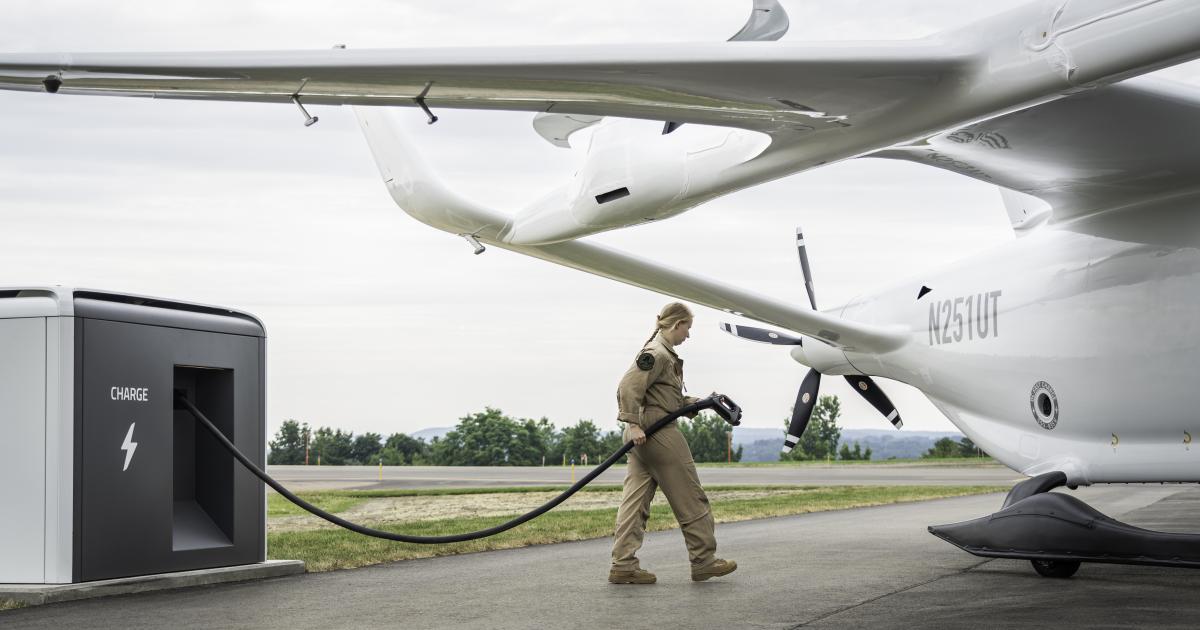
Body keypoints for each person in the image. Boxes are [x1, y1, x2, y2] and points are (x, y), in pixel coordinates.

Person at [608, 302, 737, 584]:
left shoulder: (662, 353)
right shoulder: (656, 353)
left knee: (635, 502)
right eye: (687, 329)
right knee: (691, 496)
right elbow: (628, 387)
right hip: (658, 431)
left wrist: (702, 402)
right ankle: (703, 560)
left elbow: (668, 400)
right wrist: (632, 424)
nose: (687, 336)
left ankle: (623, 565)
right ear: (676, 324)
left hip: (646, 432)